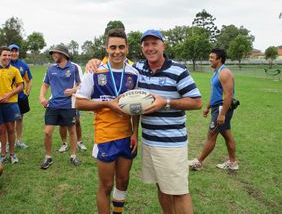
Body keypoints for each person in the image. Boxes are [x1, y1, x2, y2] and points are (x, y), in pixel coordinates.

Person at [86, 29, 202, 214]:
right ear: (141, 48)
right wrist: (96, 61)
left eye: (154, 43)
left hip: (171, 143)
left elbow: (197, 102)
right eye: (146, 44)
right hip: (149, 141)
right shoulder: (138, 69)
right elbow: (117, 61)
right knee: (162, 189)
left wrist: (167, 103)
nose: (150, 48)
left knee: (179, 192)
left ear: (163, 45)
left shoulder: (178, 70)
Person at [76, 28, 139, 214]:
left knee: (123, 181)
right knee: (106, 185)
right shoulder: (94, 71)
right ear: (106, 48)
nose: (117, 51)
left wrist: (136, 132)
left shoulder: (134, 73)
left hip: (127, 136)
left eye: (121, 47)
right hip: (105, 136)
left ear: (127, 48)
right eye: (113, 47)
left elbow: (137, 106)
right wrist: (108, 105)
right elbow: (79, 102)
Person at [189, 48, 239, 171]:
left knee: (212, 134)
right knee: (227, 135)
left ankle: (199, 162)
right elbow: (215, 94)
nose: (209, 59)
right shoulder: (216, 73)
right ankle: (232, 162)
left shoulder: (224, 72)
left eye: (212, 57)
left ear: (219, 59)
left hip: (223, 108)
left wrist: (222, 114)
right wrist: (207, 107)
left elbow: (228, 95)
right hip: (217, 107)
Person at [39, 44, 80, 169]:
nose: (52, 55)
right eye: (51, 53)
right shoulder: (51, 69)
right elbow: (45, 85)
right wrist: (42, 97)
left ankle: (73, 156)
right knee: (47, 132)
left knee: (72, 131)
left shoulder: (73, 68)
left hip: (68, 105)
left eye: (55, 53)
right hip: (53, 105)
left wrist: (73, 90)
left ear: (63, 54)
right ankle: (48, 157)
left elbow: (80, 84)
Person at [0, 46, 23, 164]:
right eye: (5, 55)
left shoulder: (15, 70)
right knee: (1, 129)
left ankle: (12, 154)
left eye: (9, 55)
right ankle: (3, 154)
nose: (7, 57)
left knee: (10, 128)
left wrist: (9, 94)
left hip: (11, 103)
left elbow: (20, 86)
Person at [58, 62, 87, 153]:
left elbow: (81, 83)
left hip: (73, 98)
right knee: (62, 123)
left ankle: (79, 141)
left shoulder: (76, 66)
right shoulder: (54, 67)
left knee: (76, 121)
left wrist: (73, 90)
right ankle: (64, 143)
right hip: (60, 99)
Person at [9, 44, 33, 149]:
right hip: (8, 98)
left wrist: (27, 92)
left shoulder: (23, 65)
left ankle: (18, 140)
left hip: (21, 98)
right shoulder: (5, 64)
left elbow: (29, 80)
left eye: (16, 51)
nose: (14, 53)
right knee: (9, 120)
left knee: (19, 119)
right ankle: (9, 142)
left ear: (18, 52)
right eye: (12, 51)